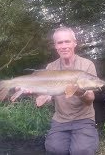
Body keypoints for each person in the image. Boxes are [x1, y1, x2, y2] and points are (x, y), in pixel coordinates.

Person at [35, 27, 100, 155]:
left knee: (81, 151)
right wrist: (44, 97)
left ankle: (88, 136)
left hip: (84, 119)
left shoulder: (87, 65)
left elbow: (90, 100)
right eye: (60, 43)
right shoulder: (51, 67)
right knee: (55, 150)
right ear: (55, 46)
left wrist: (79, 91)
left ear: (74, 43)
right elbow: (43, 98)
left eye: (67, 41)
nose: (64, 46)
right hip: (60, 120)